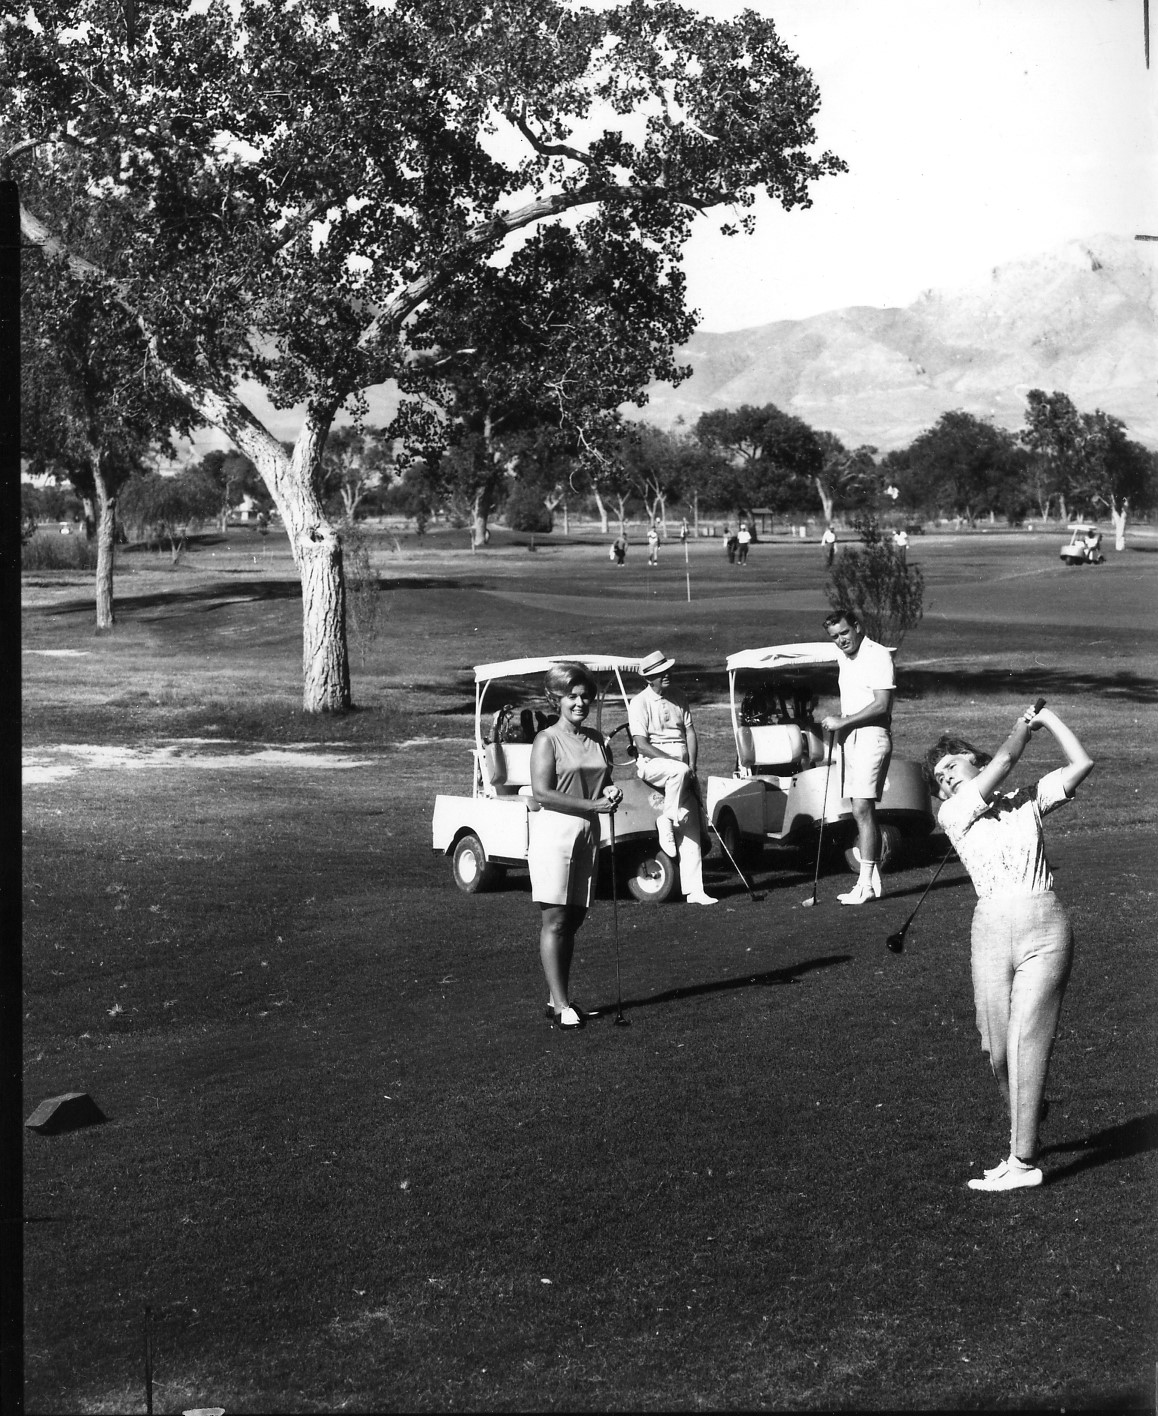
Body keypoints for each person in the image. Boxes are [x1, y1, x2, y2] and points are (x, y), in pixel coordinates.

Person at [925, 704, 1094, 1191]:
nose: (946, 779)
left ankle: (1022, 1162)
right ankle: (1029, 1110)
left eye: (951, 765)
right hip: (990, 931)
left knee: (1026, 1041)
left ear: (973, 761)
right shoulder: (953, 811)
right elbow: (1004, 759)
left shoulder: (1026, 801)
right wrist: (1023, 724)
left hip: (1045, 925)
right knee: (997, 1048)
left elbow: (1081, 764)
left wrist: (1050, 718)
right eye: (940, 778)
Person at [528, 662, 622, 1030]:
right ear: (557, 700)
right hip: (556, 832)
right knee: (556, 920)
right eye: (572, 696)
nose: (580, 703)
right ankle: (561, 1004)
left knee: (575, 917)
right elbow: (542, 793)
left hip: (588, 831)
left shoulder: (596, 739)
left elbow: (604, 780)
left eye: (585, 696)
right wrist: (592, 804)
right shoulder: (547, 739)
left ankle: (558, 998)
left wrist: (610, 792)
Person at [628, 650, 717, 906]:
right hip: (652, 764)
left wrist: (692, 765)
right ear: (649, 678)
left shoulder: (679, 696)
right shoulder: (639, 702)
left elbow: (690, 733)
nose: (667, 675)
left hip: (682, 769)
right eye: (660, 673)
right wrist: (677, 763)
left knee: (690, 832)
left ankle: (695, 891)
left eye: (667, 670)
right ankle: (666, 819)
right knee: (678, 772)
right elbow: (641, 745)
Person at [820, 608, 895, 905]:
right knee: (859, 810)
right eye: (834, 637)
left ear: (858, 627)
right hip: (850, 739)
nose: (841, 640)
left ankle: (864, 885)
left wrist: (843, 720)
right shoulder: (844, 657)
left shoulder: (878, 655)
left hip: (872, 736)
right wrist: (841, 721)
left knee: (862, 808)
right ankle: (872, 881)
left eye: (844, 633)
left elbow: (882, 705)